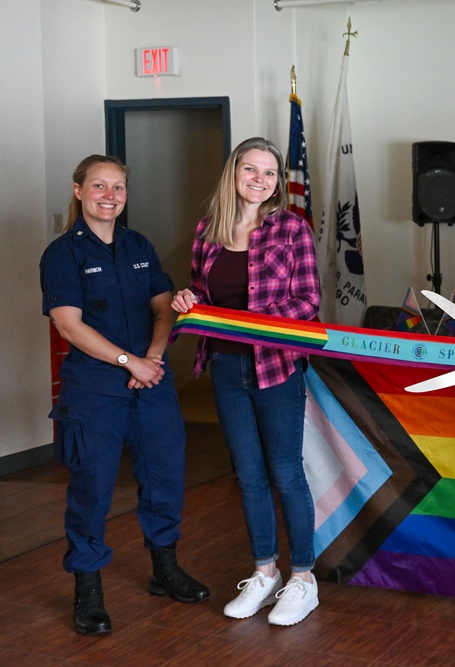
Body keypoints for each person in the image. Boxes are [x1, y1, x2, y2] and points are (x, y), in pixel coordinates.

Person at [40, 155, 210, 636]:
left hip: (150, 384)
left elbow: (164, 309)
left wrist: (151, 359)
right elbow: (69, 325)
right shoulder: (62, 253)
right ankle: (88, 591)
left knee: (165, 475)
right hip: (95, 389)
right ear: (78, 191)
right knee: (91, 488)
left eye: (118, 187)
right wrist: (127, 361)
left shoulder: (139, 245)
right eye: (99, 186)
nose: (109, 196)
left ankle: (165, 569)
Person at [171, 137, 321, 626]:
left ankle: (302, 579)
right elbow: (202, 291)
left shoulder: (291, 229)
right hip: (226, 369)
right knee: (249, 476)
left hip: (276, 368)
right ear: (233, 173)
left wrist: (253, 321)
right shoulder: (207, 231)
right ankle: (264, 572)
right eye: (250, 169)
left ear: (279, 182)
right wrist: (187, 300)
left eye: (270, 173)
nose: (260, 180)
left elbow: (308, 304)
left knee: (286, 473)